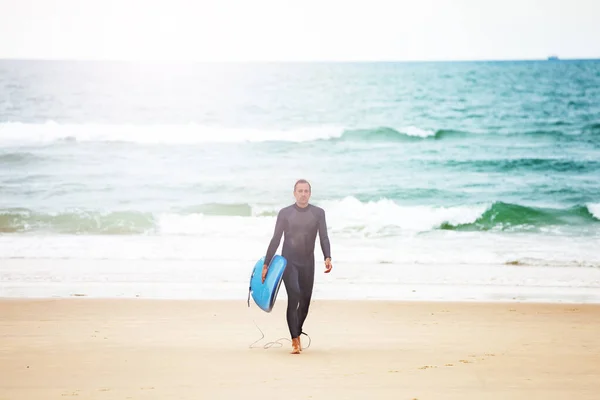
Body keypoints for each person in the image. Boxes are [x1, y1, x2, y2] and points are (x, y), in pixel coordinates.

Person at [262, 179, 332, 354]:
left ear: (310, 193)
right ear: (294, 193)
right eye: (299, 191)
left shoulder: (318, 213)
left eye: (306, 191)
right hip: (289, 262)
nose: (303, 194)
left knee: (305, 302)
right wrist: (266, 264)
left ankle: (297, 332)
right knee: (295, 296)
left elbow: (323, 237)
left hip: (308, 262)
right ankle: (294, 341)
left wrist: (327, 256)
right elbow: (276, 239)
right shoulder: (285, 213)